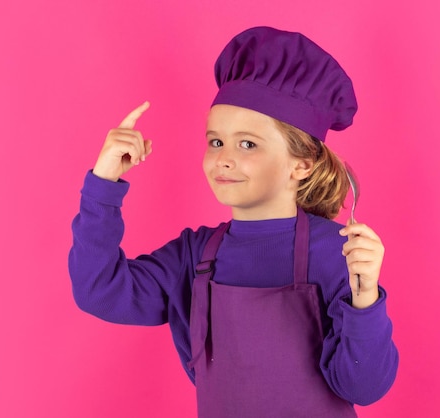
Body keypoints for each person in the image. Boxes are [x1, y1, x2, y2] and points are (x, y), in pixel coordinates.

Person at [69, 26, 398, 417]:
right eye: (215, 141)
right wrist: (103, 185)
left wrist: (365, 302)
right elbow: (99, 290)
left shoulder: (337, 251)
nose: (223, 158)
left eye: (248, 144)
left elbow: (364, 386)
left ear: (302, 164)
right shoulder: (195, 254)